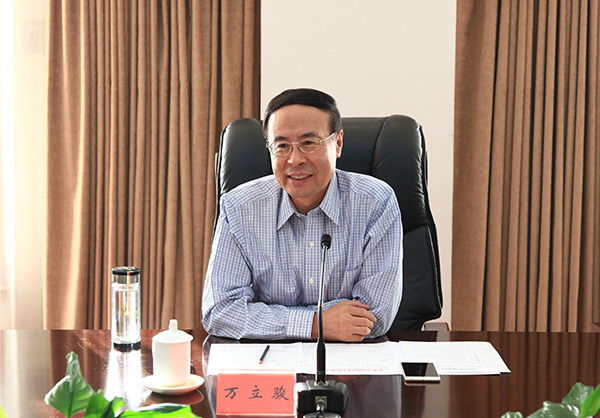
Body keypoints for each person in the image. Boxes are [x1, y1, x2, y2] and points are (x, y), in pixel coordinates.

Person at [202, 88, 403, 342]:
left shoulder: (376, 202)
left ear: (338, 143)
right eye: (282, 146)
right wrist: (316, 324)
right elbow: (219, 311)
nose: (295, 160)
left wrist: (264, 316)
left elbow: (374, 316)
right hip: (267, 359)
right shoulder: (239, 207)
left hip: (350, 359)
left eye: (309, 143)